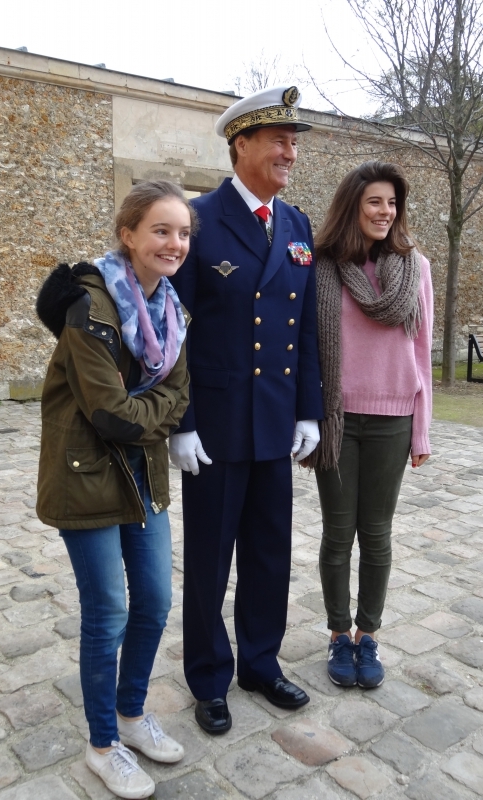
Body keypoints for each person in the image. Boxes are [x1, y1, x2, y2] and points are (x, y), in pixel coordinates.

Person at [169, 86, 324, 734]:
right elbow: (170, 329)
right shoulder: (197, 220)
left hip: (274, 422)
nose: (291, 151)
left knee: (268, 553)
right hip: (216, 425)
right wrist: (179, 424)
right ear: (242, 145)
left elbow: (306, 329)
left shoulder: (296, 225)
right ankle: (208, 676)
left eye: (294, 141)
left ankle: (260, 662)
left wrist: (308, 410)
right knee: (209, 559)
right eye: (279, 139)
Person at [35, 180, 195, 799]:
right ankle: (103, 744)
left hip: (142, 476)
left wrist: (153, 407)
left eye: (182, 232)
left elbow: (180, 394)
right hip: (87, 477)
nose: (173, 243)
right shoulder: (89, 306)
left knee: (154, 602)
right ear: (128, 235)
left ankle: (132, 715)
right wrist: (159, 409)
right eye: (160, 230)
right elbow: (109, 414)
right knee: (108, 615)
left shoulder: (175, 311)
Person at [305, 161, 433, 689]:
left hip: (393, 418)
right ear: (353, 206)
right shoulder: (323, 266)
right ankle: (338, 634)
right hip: (337, 417)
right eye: (375, 202)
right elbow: (306, 348)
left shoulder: (416, 267)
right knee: (338, 535)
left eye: (392, 203)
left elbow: (422, 352)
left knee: (376, 535)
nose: (386, 212)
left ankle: (368, 635)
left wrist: (422, 430)